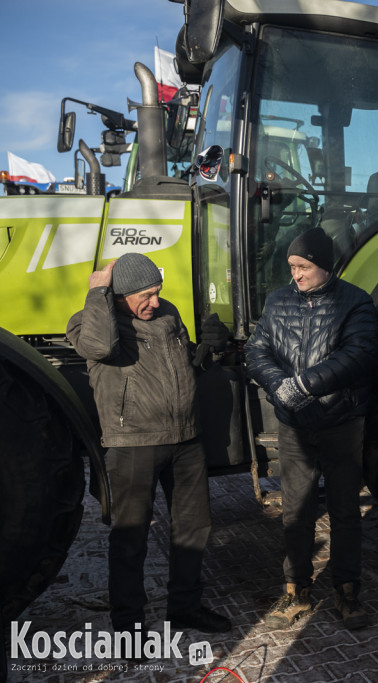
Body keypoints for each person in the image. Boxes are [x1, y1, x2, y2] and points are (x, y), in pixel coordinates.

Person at [66, 253, 231, 646]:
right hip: (132, 443)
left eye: (157, 292)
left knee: (193, 530)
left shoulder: (167, 313)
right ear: (118, 295)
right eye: (146, 295)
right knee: (130, 538)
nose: (155, 302)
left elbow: (181, 368)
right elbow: (101, 347)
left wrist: (207, 351)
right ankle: (128, 627)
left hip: (185, 439)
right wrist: (97, 290)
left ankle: (185, 606)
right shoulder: (89, 322)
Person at [245, 227, 378, 631]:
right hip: (295, 427)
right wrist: (279, 386)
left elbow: (358, 355)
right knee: (295, 513)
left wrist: (304, 385)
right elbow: (256, 349)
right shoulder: (278, 300)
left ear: (324, 265)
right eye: (292, 267)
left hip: (341, 424)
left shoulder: (355, 302)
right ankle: (296, 590)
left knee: (344, 512)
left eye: (303, 267)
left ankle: (347, 591)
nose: (296, 275)